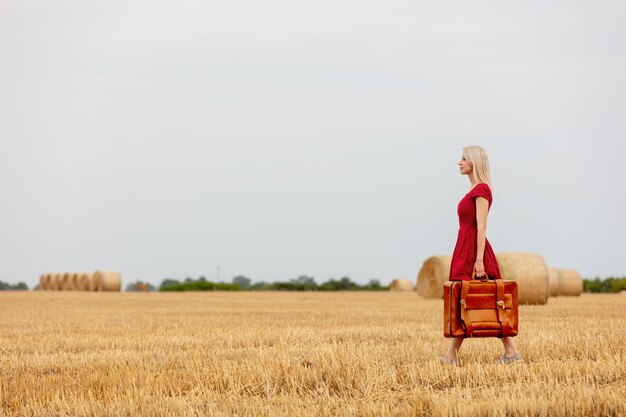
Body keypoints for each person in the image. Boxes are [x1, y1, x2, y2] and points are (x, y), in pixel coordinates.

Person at [439, 146, 521, 365]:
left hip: (474, 250)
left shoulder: (482, 190)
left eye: (464, 158)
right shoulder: (474, 189)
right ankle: (510, 352)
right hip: (465, 246)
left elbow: (482, 227)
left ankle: (451, 356)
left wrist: (478, 260)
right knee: (464, 300)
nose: (459, 162)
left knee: (484, 300)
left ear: (474, 162)